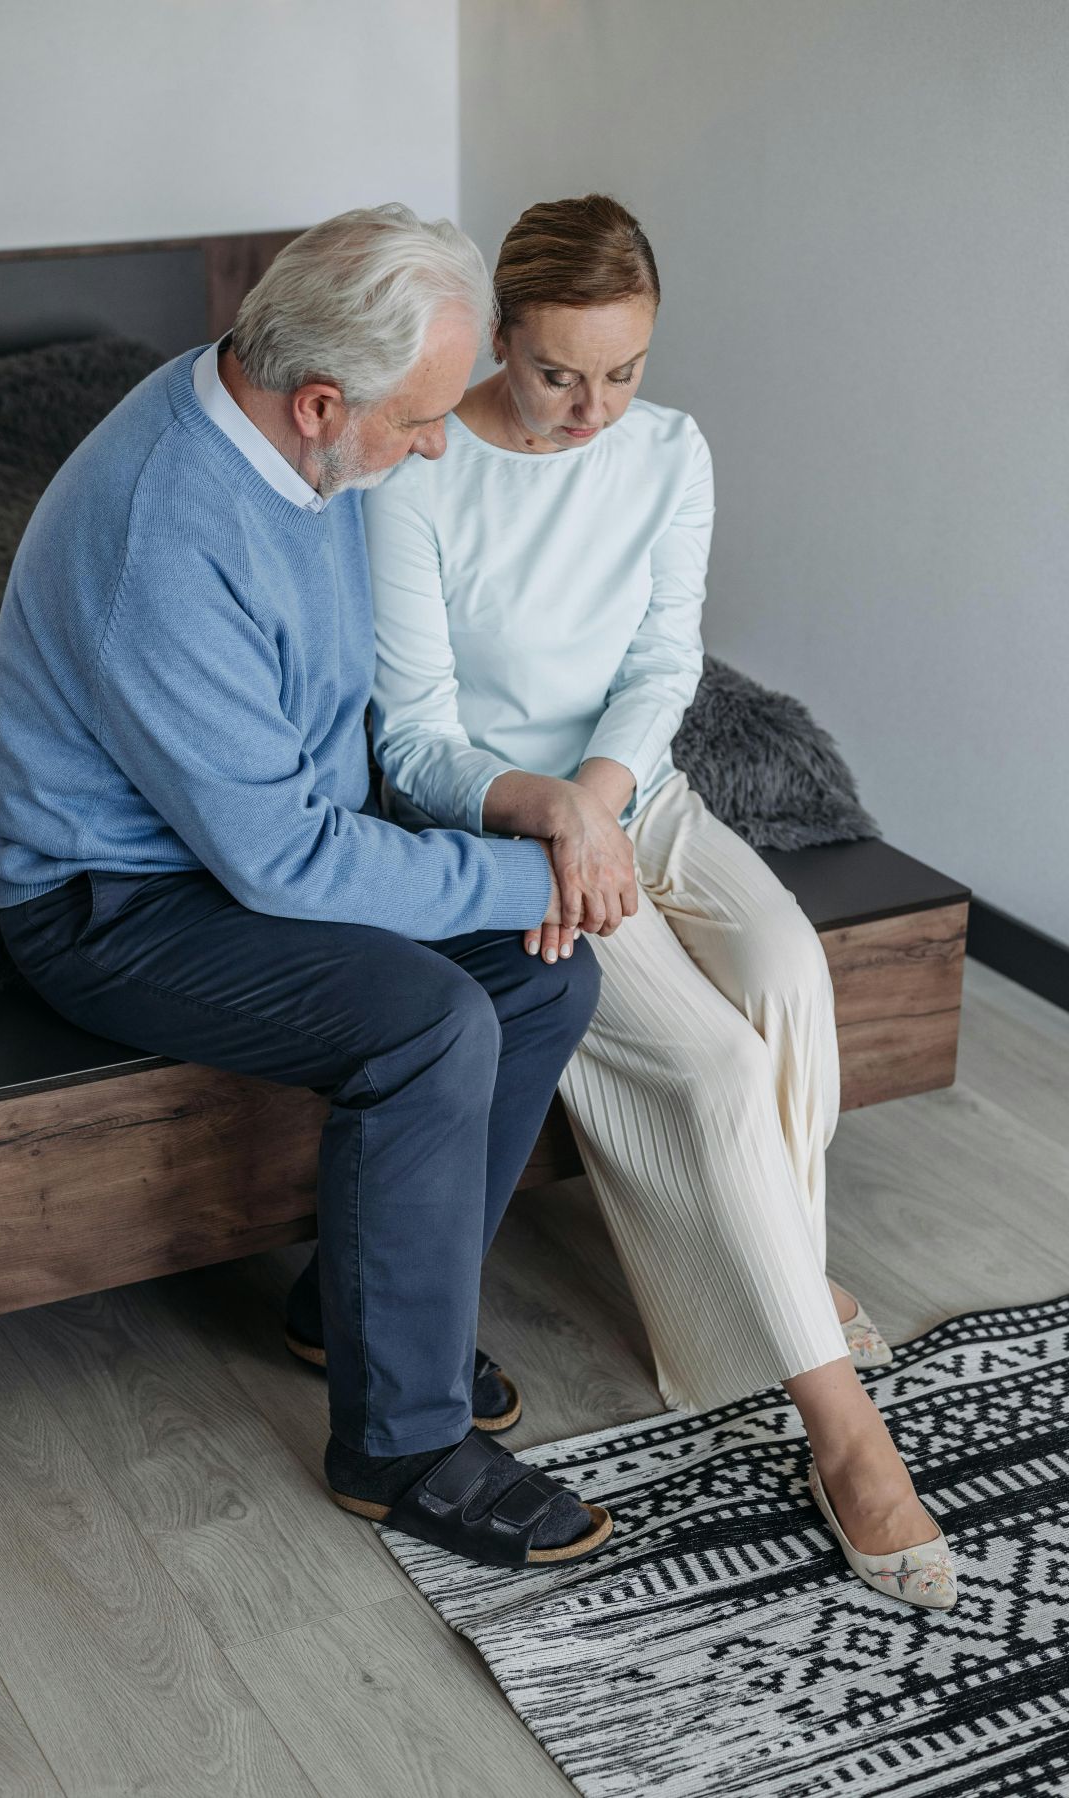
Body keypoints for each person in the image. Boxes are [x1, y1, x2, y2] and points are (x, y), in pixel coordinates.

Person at [0, 204, 614, 1571]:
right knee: (429, 1024)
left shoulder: (293, 440)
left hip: (254, 844)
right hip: (112, 899)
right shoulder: (164, 532)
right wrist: (524, 866)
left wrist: (524, 849)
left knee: (545, 972)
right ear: (322, 401)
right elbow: (286, 863)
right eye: (421, 421)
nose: (435, 444)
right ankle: (400, 1448)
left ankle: (355, 1310)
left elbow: (324, 773)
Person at [362, 194, 957, 1609]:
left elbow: (660, 662)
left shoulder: (670, 450)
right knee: (711, 1063)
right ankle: (843, 1430)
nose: (593, 409)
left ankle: (773, 1287)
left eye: (622, 372)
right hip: (507, 819)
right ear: (498, 338)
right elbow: (414, 739)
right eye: (558, 373)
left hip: (642, 791)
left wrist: (607, 794)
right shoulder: (419, 477)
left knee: (791, 979)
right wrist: (556, 812)